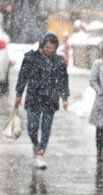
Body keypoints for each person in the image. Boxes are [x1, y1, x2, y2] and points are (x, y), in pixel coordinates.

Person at [15, 32, 69, 169]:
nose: (49, 50)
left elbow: (63, 81)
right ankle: (35, 142)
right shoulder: (31, 58)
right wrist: (19, 93)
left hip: (51, 99)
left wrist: (65, 98)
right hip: (33, 97)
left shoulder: (59, 61)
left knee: (46, 128)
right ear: (42, 45)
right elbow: (23, 76)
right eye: (47, 47)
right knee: (32, 127)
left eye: (52, 47)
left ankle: (40, 154)